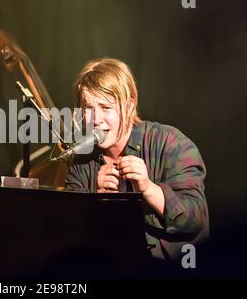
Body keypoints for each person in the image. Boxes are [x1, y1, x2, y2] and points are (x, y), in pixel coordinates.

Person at [65, 58, 209, 261]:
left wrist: (149, 188)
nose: (96, 120)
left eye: (106, 108)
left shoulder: (171, 143)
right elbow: (69, 237)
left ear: (130, 105)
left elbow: (195, 220)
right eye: (88, 109)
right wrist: (95, 199)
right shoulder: (81, 158)